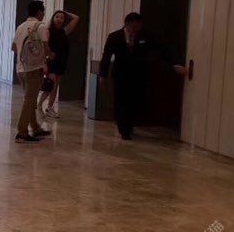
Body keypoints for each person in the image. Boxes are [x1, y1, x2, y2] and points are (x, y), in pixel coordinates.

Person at [99, 12, 186, 140]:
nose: (136, 30)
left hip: (138, 75)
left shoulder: (146, 36)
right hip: (120, 75)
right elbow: (106, 56)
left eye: (139, 26)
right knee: (120, 101)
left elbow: (163, 49)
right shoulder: (115, 37)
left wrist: (174, 64)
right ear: (127, 24)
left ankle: (129, 126)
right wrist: (103, 75)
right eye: (134, 27)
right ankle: (124, 130)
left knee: (134, 101)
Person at [11, 0, 53, 143]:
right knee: (29, 101)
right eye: (43, 11)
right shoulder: (40, 26)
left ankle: (35, 128)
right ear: (39, 12)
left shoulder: (20, 26)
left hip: (20, 68)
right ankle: (22, 132)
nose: (44, 14)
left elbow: (14, 48)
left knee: (30, 99)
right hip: (34, 69)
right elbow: (46, 49)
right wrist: (50, 56)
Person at [38, 10, 79, 119]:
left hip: (62, 61)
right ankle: (41, 105)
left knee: (55, 86)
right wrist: (45, 61)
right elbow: (44, 47)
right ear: (53, 18)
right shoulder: (48, 31)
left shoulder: (64, 31)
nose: (59, 19)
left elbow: (76, 18)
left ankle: (48, 107)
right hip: (51, 61)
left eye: (61, 17)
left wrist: (64, 12)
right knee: (51, 84)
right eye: (57, 17)